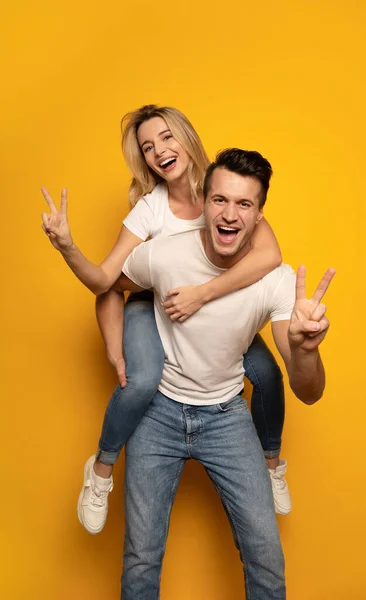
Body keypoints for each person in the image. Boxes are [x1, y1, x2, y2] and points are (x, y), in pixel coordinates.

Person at [41, 105, 289, 536]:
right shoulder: (150, 209)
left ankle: (269, 465)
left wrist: (203, 294)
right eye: (148, 147)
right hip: (154, 304)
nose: (160, 151)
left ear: (187, 137)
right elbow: (105, 280)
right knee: (138, 380)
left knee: (267, 372)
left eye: (166, 137)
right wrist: (68, 248)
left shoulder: (224, 186)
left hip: (212, 306)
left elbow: (270, 256)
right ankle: (101, 469)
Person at [116, 148, 334, 599]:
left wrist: (304, 349)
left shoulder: (276, 281)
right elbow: (110, 284)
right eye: (219, 200)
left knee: (266, 560)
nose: (229, 214)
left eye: (244, 204)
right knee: (140, 559)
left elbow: (308, 391)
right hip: (156, 414)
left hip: (226, 417)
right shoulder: (162, 255)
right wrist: (120, 343)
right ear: (204, 202)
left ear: (259, 217)